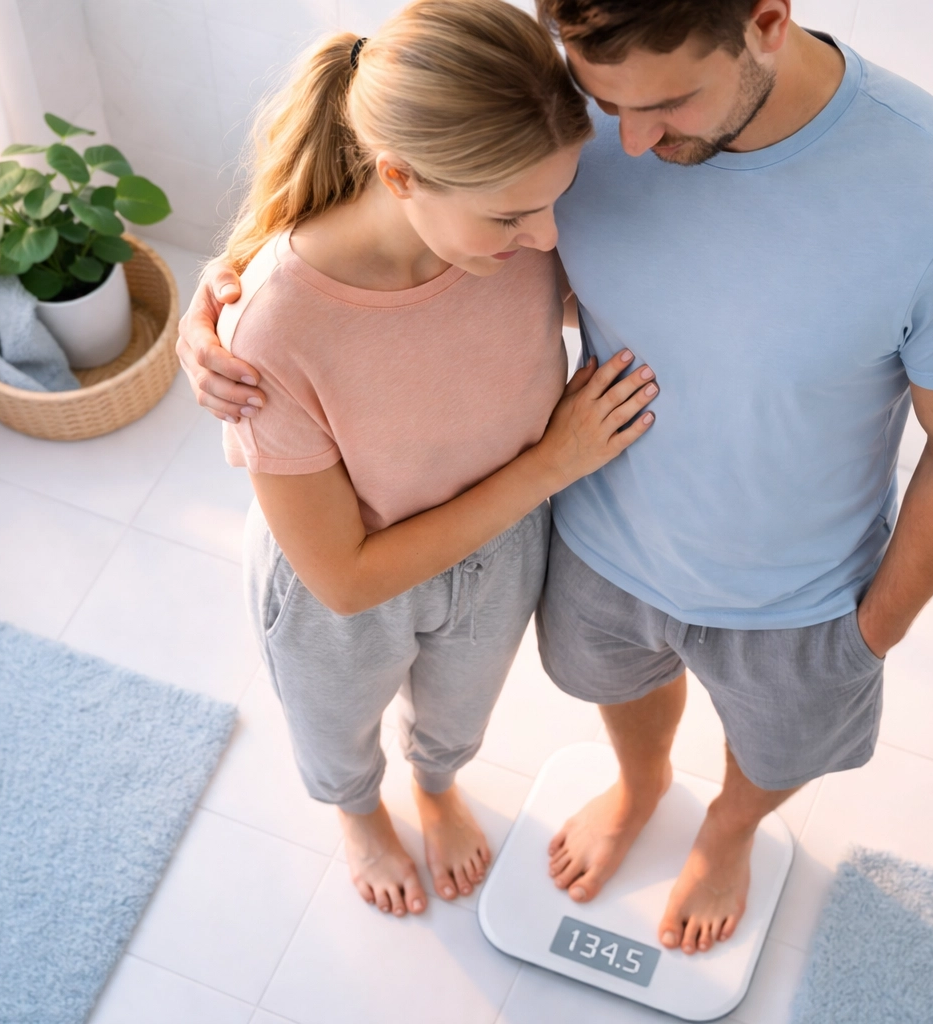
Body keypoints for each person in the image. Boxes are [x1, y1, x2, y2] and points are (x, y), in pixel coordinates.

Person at [181, 0, 933, 955]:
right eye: (604, 102)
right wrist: (226, 302)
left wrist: (877, 629)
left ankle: (728, 831)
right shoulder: (566, 122)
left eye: (665, 104)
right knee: (553, 701)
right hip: (595, 548)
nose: (625, 143)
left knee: (777, 745)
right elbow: (406, 169)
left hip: (801, 591)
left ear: (766, 20)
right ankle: (639, 786)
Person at [212, 0, 660, 921]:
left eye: (554, 201)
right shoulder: (275, 330)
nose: (548, 237)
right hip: (349, 591)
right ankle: (359, 813)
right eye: (512, 215)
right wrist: (552, 465)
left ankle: (437, 786)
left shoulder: (511, 234)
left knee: (461, 713)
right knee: (336, 727)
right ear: (399, 175)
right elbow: (343, 581)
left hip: (501, 551)